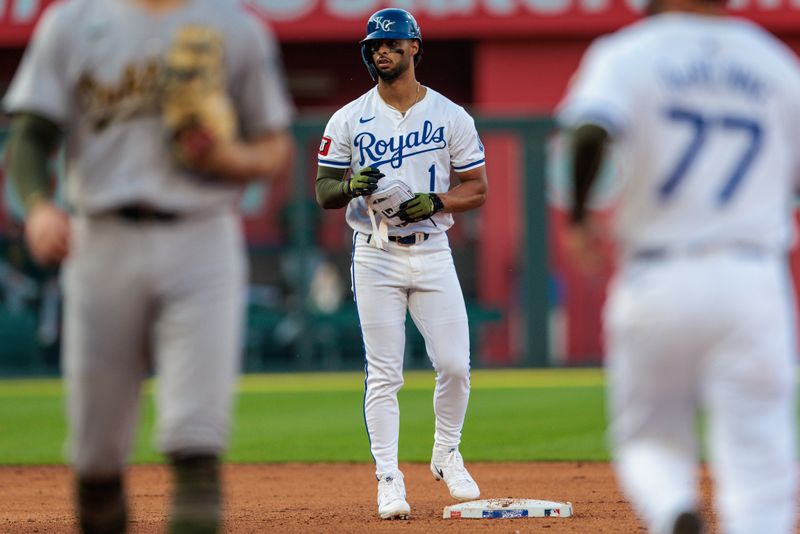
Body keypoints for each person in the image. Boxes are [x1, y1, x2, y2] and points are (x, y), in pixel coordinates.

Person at [3, 0, 294, 531]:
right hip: (101, 238)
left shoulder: (236, 29)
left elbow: (274, 146)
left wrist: (232, 160)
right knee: (95, 459)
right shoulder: (72, 23)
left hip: (202, 238)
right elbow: (30, 136)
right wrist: (39, 206)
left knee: (197, 445)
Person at [557, 0, 800, 533]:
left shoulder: (627, 53)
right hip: (753, 276)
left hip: (657, 273)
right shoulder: (773, 61)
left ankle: (672, 509)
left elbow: (591, 132)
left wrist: (578, 217)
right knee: (760, 460)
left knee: (650, 440)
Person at [314, 7, 488, 520]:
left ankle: (446, 452)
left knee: (455, 365)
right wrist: (350, 187)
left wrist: (435, 202)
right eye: (373, 46)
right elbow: (324, 188)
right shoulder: (348, 117)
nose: (380, 51)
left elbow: (476, 188)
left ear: (414, 46)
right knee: (384, 374)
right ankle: (389, 478)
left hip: (433, 251)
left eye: (390, 43)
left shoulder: (451, 115)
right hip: (376, 252)